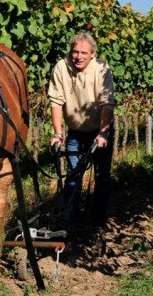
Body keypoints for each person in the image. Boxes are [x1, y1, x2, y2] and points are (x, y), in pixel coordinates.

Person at [48, 33, 116, 231]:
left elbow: (107, 103)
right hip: (76, 132)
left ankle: (98, 221)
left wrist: (103, 133)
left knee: (102, 176)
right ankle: (69, 223)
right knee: (73, 176)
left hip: (99, 131)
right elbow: (56, 101)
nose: (79, 56)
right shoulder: (61, 67)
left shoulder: (102, 69)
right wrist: (58, 133)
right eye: (75, 52)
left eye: (84, 53)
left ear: (92, 54)